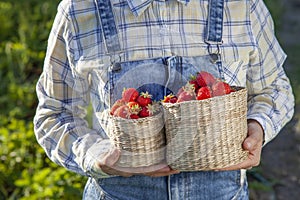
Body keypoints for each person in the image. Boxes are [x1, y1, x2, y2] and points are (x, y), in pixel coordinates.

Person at [34, 0, 295, 199]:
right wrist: (96, 155)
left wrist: (258, 126)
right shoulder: (81, 9)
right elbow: (55, 113)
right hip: (119, 193)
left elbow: (273, 89)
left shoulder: (241, 5)